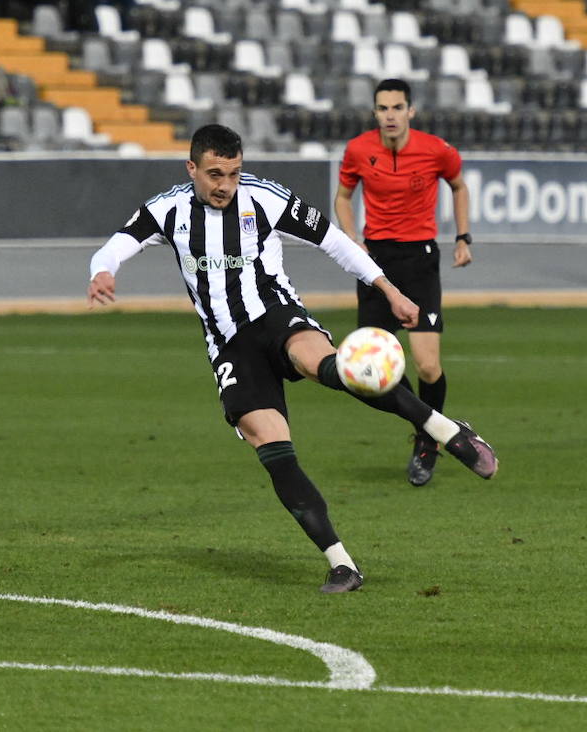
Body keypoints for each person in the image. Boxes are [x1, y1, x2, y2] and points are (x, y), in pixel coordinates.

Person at [86, 124, 497, 594]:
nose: (225, 185)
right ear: (192, 168)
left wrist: (389, 290)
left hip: (276, 315)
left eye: (234, 173)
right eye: (215, 174)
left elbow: (335, 242)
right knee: (273, 449)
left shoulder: (265, 198)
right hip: (230, 346)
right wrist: (103, 270)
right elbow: (117, 244)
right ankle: (342, 564)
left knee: (330, 367)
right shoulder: (167, 210)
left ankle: (446, 431)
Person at [332, 79, 471, 486]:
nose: (389, 115)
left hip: (420, 260)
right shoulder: (359, 150)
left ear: (411, 111)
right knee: (369, 369)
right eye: (382, 108)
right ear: (374, 113)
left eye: (397, 107)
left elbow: (459, 186)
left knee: (428, 365)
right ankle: (428, 426)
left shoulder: (436, 150)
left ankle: (427, 441)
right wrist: (351, 239)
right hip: (376, 263)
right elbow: (343, 196)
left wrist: (463, 237)